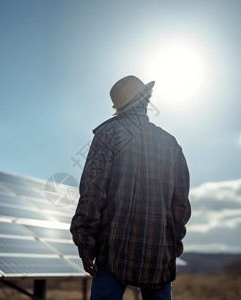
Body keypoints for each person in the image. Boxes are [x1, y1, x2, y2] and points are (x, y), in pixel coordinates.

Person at [70, 75, 191, 300]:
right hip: (159, 255)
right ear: (146, 99)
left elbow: (92, 194)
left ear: (118, 107)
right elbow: (181, 205)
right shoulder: (171, 143)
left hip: (112, 252)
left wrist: (85, 244)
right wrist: (173, 246)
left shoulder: (108, 135)